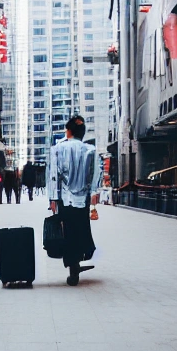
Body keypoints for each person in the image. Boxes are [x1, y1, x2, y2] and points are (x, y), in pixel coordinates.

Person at [47, 115, 101, 286]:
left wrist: (52, 198)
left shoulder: (57, 149)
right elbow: (95, 175)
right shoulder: (90, 150)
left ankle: (73, 268)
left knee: (68, 232)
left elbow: (54, 175)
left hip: (65, 198)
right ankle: (78, 261)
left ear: (68, 131)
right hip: (83, 199)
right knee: (81, 229)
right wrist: (94, 193)